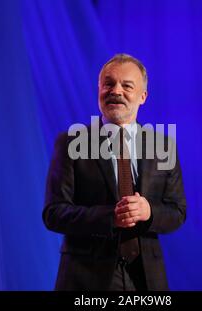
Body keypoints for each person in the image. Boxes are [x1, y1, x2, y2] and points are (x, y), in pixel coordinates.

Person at [43, 53, 186, 291]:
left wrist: (148, 212)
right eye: (108, 83)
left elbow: (177, 211)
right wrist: (111, 217)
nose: (116, 91)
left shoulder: (162, 146)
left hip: (147, 279)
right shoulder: (70, 143)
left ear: (143, 96)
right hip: (86, 278)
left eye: (127, 85)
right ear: (98, 90)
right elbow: (53, 213)